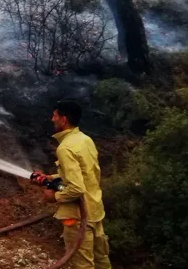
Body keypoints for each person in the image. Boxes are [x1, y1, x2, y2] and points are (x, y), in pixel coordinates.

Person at [32, 100, 112, 269]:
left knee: (83, 265)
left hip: (77, 217)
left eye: (55, 115)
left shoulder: (65, 148)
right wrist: (51, 177)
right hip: (95, 210)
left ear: (63, 119)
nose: (52, 119)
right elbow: (84, 173)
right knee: (101, 260)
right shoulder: (85, 140)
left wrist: (54, 196)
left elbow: (76, 188)